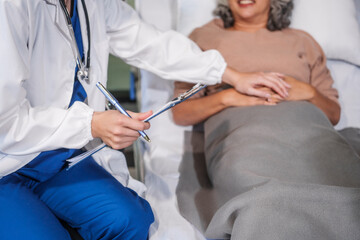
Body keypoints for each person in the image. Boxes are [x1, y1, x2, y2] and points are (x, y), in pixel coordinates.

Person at [0, 0, 292, 239]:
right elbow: (5, 124)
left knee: (130, 221)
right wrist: (91, 123)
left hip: (59, 156)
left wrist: (231, 75)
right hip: (7, 164)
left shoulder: (91, 4)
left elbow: (146, 40)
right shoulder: (10, 7)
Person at [172, 0, 360, 239]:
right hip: (242, 134)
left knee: (342, 185)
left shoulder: (303, 41)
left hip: (309, 130)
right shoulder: (204, 38)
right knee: (262, 199)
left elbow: (333, 114)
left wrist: (309, 92)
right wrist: (228, 97)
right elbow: (180, 112)